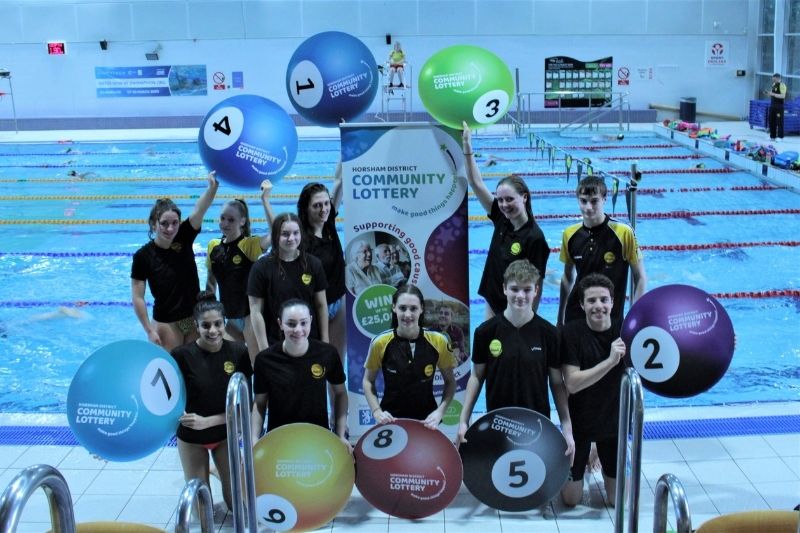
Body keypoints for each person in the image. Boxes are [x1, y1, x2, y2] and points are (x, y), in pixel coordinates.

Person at [456, 260, 575, 502]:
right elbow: (477, 376)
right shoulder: (486, 332)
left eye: (527, 289)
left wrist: (567, 427)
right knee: (502, 488)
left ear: (536, 291)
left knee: (534, 490)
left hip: (536, 422)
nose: (520, 295)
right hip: (498, 421)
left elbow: (556, 383)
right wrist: (463, 420)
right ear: (504, 289)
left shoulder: (549, 334)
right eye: (514, 289)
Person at [170, 292, 252, 515]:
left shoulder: (238, 352)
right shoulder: (181, 356)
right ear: (196, 326)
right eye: (206, 325)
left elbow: (246, 405)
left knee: (237, 506)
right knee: (200, 509)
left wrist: (207, 422)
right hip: (191, 438)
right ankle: (211, 471)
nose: (213, 331)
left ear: (225, 322)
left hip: (225, 435)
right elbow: (165, 399)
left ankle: (220, 470)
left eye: (218, 324)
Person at [262, 163, 346, 366]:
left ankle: (334, 398)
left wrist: (348, 144)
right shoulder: (301, 238)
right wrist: (265, 201)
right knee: (316, 363)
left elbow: (339, 181)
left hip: (339, 302)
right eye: (317, 205)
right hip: (316, 307)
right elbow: (278, 231)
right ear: (306, 208)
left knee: (336, 364)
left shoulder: (329, 223)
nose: (324, 209)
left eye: (326, 204)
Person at [463, 122, 550, 318]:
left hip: (517, 308)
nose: (504, 205)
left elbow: (538, 284)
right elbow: (475, 182)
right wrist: (468, 147)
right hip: (493, 300)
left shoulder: (535, 237)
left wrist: (530, 317)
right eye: (500, 200)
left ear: (524, 197)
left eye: (509, 199)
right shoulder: (501, 219)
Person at [131, 172, 219, 352]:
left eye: (175, 223)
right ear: (153, 224)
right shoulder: (143, 256)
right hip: (166, 322)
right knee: (172, 369)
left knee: (195, 368)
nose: (170, 228)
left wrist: (212, 189)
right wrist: (148, 330)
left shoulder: (184, 236)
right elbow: (138, 297)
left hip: (193, 316)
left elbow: (199, 209)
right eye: (164, 223)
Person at [560, 273, 626, 507]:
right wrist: (610, 361)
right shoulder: (572, 333)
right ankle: (586, 454)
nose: (598, 306)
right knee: (571, 500)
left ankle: (596, 450)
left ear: (613, 302)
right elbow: (573, 383)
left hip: (613, 425)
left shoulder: (626, 331)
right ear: (581, 304)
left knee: (617, 502)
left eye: (603, 300)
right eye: (591, 301)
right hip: (580, 425)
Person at [250, 299, 349, 450]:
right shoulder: (265, 360)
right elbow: (260, 403)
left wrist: (340, 434)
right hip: (278, 439)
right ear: (280, 324)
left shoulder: (327, 353)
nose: (298, 329)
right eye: (291, 324)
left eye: (303, 323)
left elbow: (341, 392)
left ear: (310, 320)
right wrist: (254, 438)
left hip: (317, 437)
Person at [362, 284, 457, 429]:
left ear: (422, 309)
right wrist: (377, 411)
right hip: (390, 421)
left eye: (413, 308)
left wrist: (440, 412)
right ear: (394, 308)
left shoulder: (438, 341)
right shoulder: (380, 342)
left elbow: (450, 382)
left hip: (427, 423)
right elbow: (368, 381)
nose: (407, 314)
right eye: (402, 308)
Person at [558, 175, 646, 327]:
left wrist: (634, 317)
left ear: (605, 199)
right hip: (576, 317)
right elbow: (567, 278)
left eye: (594, 201)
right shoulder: (570, 234)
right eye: (583, 201)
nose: (588, 207)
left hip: (611, 319)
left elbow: (640, 278)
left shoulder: (623, 232)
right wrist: (560, 319)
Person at [247, 212, 328, 352]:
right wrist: (264, 349)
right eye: (285, 234)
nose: (291, 238)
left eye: (296, 233)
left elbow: (321, 305)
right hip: (275, 343)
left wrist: (325, 341)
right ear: (275, 236)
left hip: (309, 341)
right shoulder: (261, 268)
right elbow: (256, 311)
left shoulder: (313, 264)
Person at [206, 191, 270, 364]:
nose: (225, 223)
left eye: (231, 220)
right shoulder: (213, 246)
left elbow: (275, 234)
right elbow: (211, 283)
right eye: (222, 218)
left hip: (249, 316)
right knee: (228, 366)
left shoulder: (248, 245)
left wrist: (265, 200)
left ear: (242, 222)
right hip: (229, 318)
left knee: (258, 365)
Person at [764, 73, 787, 141]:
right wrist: (768, 93)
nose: (772, 80)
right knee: (771, 121)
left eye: (773, 79)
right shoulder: (774, 84)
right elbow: (772, 94)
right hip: (772, 105)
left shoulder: (782, 85)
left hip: (779, 106)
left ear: (778, 78)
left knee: (779, 122)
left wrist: (773, 94)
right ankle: (772, 136)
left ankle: (780, 137)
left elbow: (783, 96)